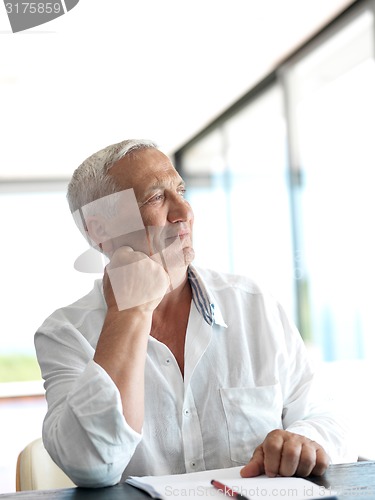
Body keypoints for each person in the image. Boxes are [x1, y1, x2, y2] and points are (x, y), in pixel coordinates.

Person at [35, 139, 356, 488]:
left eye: (180, 191)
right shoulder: (65, 333)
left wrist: (303, 441)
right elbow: (92, 465)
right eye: (157, 197)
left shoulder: (253, 305)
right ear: (100, 230)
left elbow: (327, 419)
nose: (183, 212)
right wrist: (130, 311)